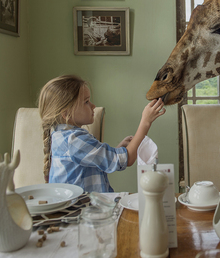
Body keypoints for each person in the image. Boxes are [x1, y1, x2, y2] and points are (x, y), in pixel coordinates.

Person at [38, 75, 166, 192]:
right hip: (85, 211)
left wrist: (117, 149)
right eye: (86, 102)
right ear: (66, 114)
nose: (93, 106)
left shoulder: (61, 135)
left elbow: (95, 163)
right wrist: (145, 122)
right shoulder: (74, 140)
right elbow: (127, 159)